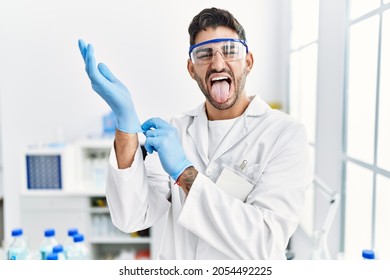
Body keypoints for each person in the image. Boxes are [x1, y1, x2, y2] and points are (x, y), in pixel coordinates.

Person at [78, 7, 313, 260]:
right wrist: (125, 127)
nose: (218, 63)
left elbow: (265, 242)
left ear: (248, 62)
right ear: (192, 69)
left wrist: (183, 171)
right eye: (205, 54)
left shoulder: (285, 134)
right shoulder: (176, 131)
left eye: (230, 51)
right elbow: (131, 217)